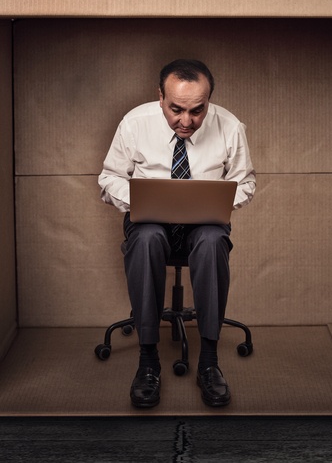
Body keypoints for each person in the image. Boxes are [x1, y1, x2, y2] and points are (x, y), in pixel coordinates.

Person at [98, 59, 256, 408]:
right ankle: (148, 360)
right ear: (160, 97)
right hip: (149, 223)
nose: (186, 121)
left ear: (209, 101)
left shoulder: (229, 126)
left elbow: (246, 182)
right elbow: (108, 179)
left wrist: (221, 200)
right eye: (176, 109)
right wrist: (141, 200)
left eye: (197, 110)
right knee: (147, 238)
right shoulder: (134, 123)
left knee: (213, 241)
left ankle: (210, 362)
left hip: (205, 226)